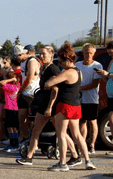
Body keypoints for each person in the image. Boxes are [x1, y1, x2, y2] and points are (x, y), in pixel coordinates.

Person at [44, 43, 95, 171]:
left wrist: (54, 79)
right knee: (77, 134)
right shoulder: (79, 71)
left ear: (67, 60)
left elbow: (48, 83)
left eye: (61, 62)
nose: (60, 64)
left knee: (61, 134)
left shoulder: (67, 72)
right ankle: (88, 161)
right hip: (76, 105)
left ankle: (62, 163)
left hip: (65, 104)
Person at [17, 45, 68, 165]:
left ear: (51, 54)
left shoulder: (53, 69)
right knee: (36, 130)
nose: (42, 56)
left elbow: (55, 90)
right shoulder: (44, 68)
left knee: (62, 132)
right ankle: (29, 157)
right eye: (40, 53)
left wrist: (50, 107)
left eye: (44, 53)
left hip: (52, 105)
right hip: (43, 103)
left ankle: (75, 154)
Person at [76, 43, 103, 155]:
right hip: (79, 99)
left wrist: (80, 88)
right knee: (82, 121)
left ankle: (92, 144)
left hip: (91, 99)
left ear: (94, 53)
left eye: (90, 53)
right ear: (83, 52)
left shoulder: (97, 66)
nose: (88, 55)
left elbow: (94, 84)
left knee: (92, 121)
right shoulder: (77, 65)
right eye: (86, 52)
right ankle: (82, 143)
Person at [13, 45, 39, 142]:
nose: (16, 59)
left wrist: (20, 90)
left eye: (17, 57)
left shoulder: (32, 61)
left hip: (32, 93)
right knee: (21, 116)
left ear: (21, 54)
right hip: (24, 93)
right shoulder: (23, 62)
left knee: (32, 119)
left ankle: (34, 140)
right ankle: (24, 137)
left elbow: (30, 78)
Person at [0, 72, 20, 152]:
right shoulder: (17, 85)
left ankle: (12, 144)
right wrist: (14, 79)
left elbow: (1, 83)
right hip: (15, 108)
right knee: (14, 128)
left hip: (10, 108)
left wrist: (10, 79)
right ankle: (15, 144)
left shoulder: (8, 86)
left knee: (10, 128)